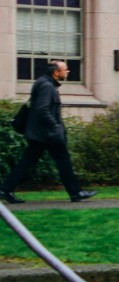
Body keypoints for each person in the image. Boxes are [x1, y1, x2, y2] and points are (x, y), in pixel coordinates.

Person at [2, 60, 95, 204]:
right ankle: (76, 193)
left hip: (40, 134)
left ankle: (6, 189)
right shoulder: (47, 86)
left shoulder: (43, 83)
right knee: (63, 161)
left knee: (28, 161)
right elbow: (42, 109)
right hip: (47, 134)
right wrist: (55, 126)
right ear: (56, 72)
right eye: (65, 69)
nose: (67, 72)